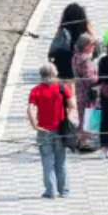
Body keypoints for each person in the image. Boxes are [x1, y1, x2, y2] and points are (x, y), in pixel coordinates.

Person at [27, 63, 72, 198]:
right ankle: (63, 190)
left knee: (47, 161)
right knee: (61, 161)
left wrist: (34, 124)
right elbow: (72, 105)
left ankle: (50, 191)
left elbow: (30, 109)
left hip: (44, 130)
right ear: (55, 73)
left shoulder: (36, 90)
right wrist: (66, 117)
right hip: (60, 129)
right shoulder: (62, 88)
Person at [49, 2, 92, 86]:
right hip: (78, 60)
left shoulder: (63, 29)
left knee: (64, 85)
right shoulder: (84, 29)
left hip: (62, 61)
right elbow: (94, 39)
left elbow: (55, 44)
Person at [72, 33, 99, 146]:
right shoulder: (85, 60)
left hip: (79, 89)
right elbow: (89, 78)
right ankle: (82, 142)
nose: (94, 47)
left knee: (82, 115)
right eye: (92, 45)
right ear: (86, 45)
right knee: (88, 116)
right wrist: (99, 77)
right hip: (87, 92)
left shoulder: (76, 56)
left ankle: (81, 140)